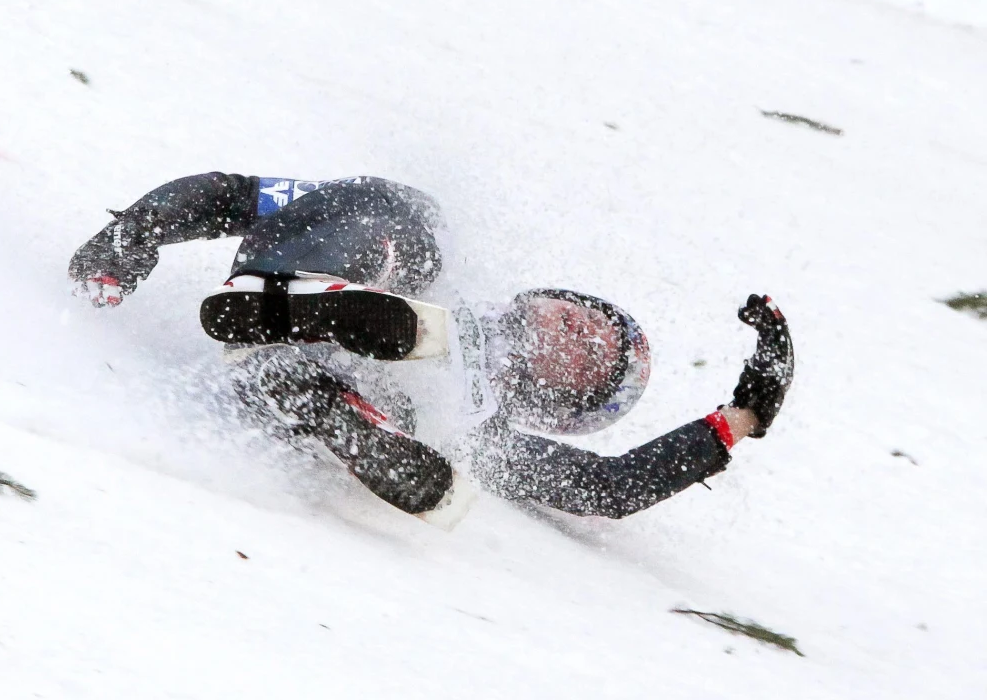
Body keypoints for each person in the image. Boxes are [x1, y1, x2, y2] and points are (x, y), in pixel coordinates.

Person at [68, 172, 794, 525]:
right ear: (548, 294)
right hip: (303, 272)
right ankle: (305, 302)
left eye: (585, 359)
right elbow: (235, 194)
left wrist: (742, 417)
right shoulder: (438, 254)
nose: (572, 333)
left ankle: (335, 404)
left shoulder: (485, 430)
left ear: (559, 401)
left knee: (433, 423)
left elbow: (609, 488)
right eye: (579, 319)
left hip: (288, 371)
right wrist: (132, 237)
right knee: (409, 211)